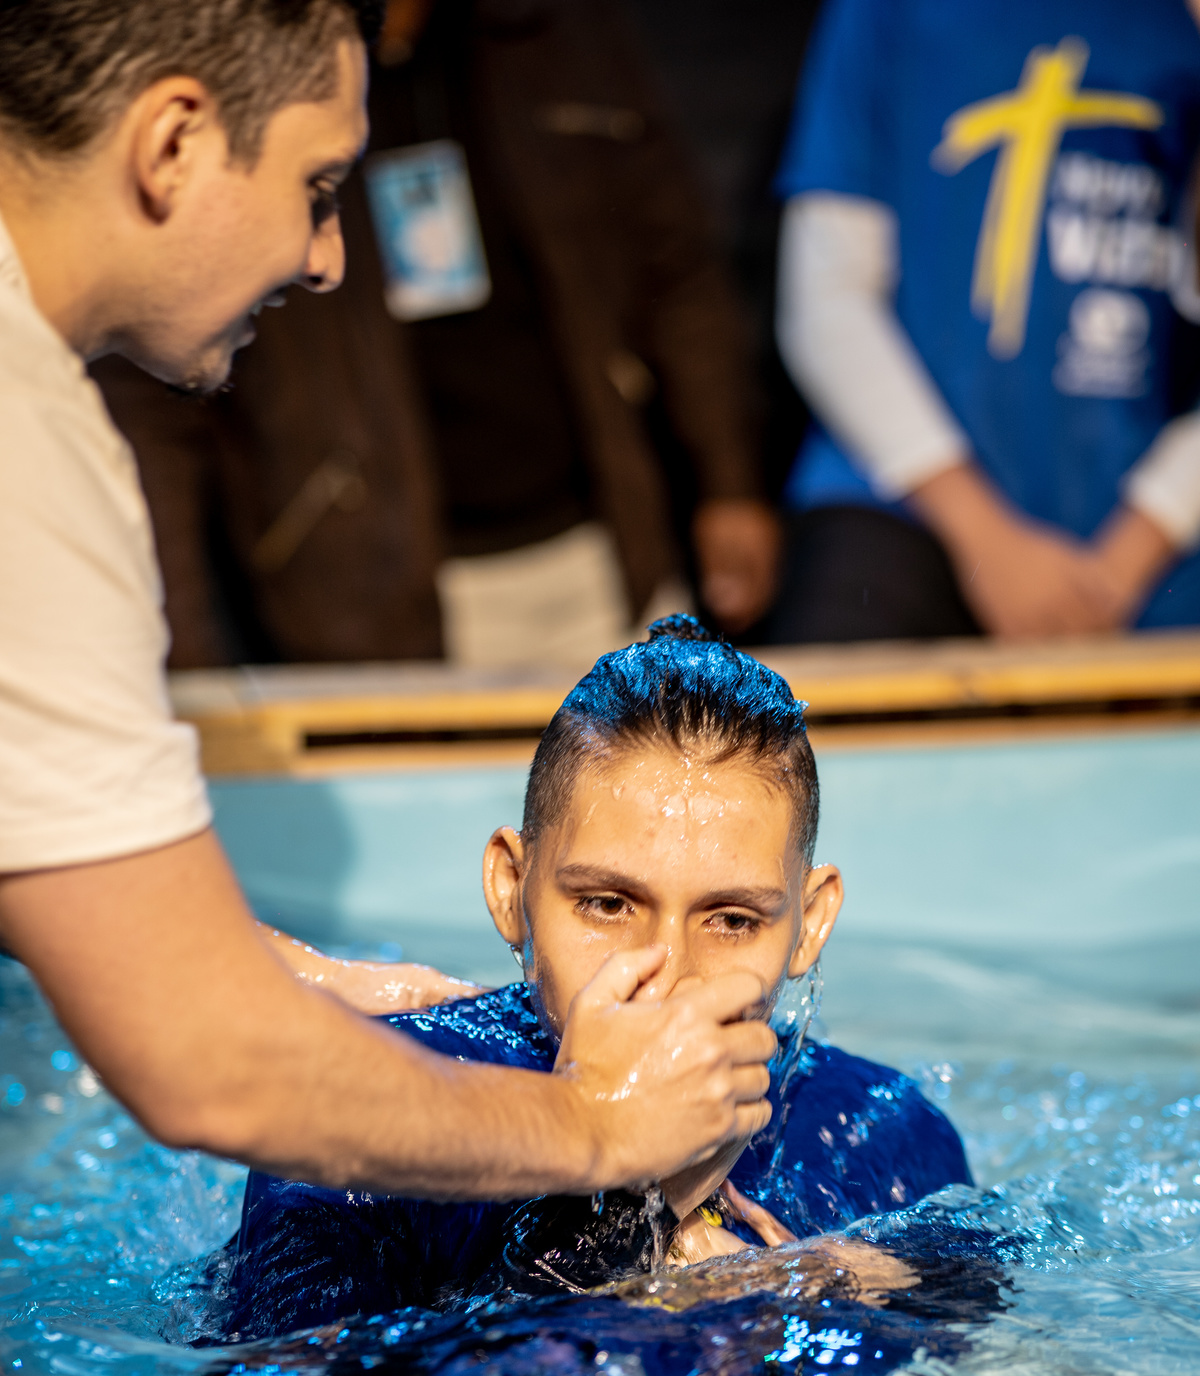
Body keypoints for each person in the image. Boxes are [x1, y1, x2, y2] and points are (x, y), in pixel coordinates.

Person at [0, 1, 778, 1215]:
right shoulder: (28, 449)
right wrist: (593, 1123)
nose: (328, 257)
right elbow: (215, 1070)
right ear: (172, 147)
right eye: (317, 186)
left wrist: (295, 977)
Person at [212, 619, 969, 1341]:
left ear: (810, 920)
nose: (665, 978)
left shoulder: (882, 1130)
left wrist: (814, 1294)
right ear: (512, 889)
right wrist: (619, 1235)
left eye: (732, 920)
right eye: (607, 905)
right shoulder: (356, 1131)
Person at [95, 0, 779, 671]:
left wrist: (729, 480)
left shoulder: (555, 32)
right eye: (313, 189)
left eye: (329, 187)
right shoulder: (239, 61)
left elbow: (679, 269)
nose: (321, 259)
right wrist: (172, 640)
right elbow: (150, 376)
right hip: (362, 591)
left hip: (601, 545)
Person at [758, 0, 1200, 644]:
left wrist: (1131, 554)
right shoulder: (887, 16)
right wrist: (988, 542)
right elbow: (825, 304)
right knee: (810, 718)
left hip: (1159, 543)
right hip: (906, 503)